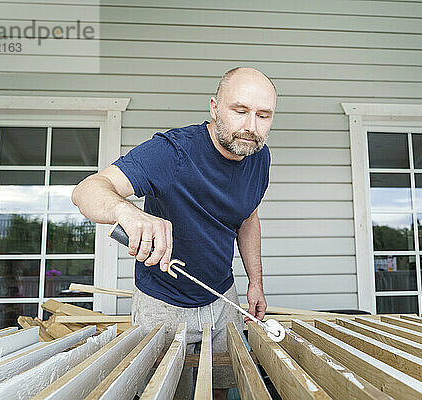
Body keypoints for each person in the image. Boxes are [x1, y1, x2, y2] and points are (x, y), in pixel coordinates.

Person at [71, 67, 276, 399]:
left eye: (263, 116)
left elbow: (248, 216)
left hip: (223, 296)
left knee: (220, 387)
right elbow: (87, 191)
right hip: (161, 302)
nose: (251, 127)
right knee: (167, 392)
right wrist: (127, 210)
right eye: (240, 111)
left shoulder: (259, 156)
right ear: (214, 107)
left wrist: (256, 282)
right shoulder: (172, 152)